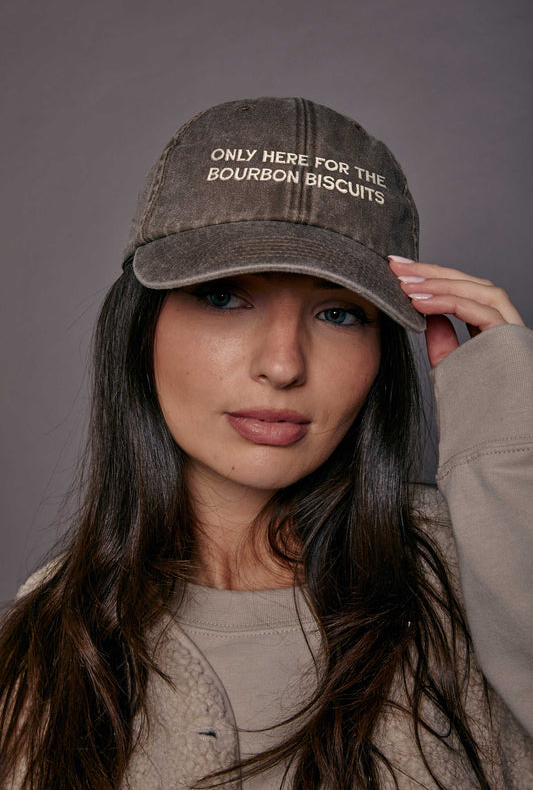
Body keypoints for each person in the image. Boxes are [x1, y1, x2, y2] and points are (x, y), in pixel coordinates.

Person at [0, 97, 532, 789]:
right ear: (142, 327)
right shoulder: (39, 652)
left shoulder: (472, 574)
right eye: (224, 296)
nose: (283, 364)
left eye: (338, 312)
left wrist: (512, 444)